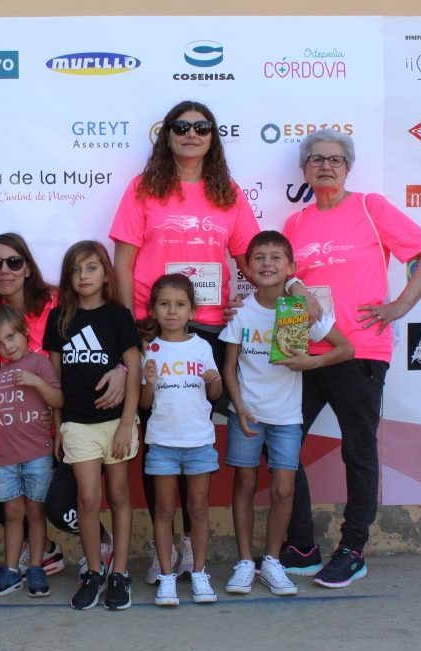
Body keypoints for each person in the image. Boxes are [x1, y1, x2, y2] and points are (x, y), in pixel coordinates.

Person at [110, 100, 274, 582]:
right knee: (158, 433)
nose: (191, 134)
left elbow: (249, 258)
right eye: (181, 127)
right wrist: (130, 324)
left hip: (206, 328)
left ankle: (186, 545)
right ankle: (165, 551)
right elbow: (122, 261)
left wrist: (270, 296)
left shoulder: (227, 192)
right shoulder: (142, 189)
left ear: (212, 137)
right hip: (150, 324)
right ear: (168, 135)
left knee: (193, 428)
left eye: (201, 128)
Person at [279, 129, 421, 588]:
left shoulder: (371, 208)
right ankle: (302, 544)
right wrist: (290, 336)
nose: (325, 166)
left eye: (334, 159)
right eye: (315, 160)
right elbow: (291, 284)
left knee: (358, 450)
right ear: (304, 170)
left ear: (348, 166)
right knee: (284, 443)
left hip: (362, 351)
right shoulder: (296, 224)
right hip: (310, 354)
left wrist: (400, 307)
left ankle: (353, 549)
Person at [0, 233, 123, 576]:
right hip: (22, 437)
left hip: (73, 426)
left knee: (58, 505)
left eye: (13, 262)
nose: (5, 270)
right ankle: (44, 549)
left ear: (28, 267)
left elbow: (107, 330)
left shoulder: (56, 299)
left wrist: (122, 369)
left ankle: (103, 544)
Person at [220, 232, 353, 597]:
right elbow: (229, 367)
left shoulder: (300, 311)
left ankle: (272, 562)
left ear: (291, 268)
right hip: (245, 413)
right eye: (258, 258)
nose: (266, 264)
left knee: (284, 488)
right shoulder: (241, 310)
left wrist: (313, 361)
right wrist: (239, 406)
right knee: (245, 485)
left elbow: (345, 348)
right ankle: (245, 561)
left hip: (286, 418)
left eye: (275, 258)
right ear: (246, 268)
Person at [43, 241, 141, 611]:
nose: (83, 276)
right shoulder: (59, 319)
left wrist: (126, 425)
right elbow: (54, 380)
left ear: (105, 274)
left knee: (118, 496)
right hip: (77, 424)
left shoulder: (118, 316)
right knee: (87, 498)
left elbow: (132, 372)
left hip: (116, 423)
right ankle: (94, 572)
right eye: (76, 270)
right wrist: (58, 426)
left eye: (91, 268)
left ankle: (119, 572)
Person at [139, 274, 222, 607]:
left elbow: (214, 394)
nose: (171, 311)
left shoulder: (202, 347)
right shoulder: (150, 349)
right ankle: (166, 576)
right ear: (153, 310)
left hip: (199, 441)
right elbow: (146, 405)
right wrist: (147, 381)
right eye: (164, 304)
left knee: (198, 509)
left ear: (192, 311)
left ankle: (200, 574)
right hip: (161, 442)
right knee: (164, 510)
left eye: (179, 305)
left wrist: (214, 381)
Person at [0, 304, 64, 598]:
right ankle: (12, 569)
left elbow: (58, 398)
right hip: (5, 458)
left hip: (37, 454)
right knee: (13, 514)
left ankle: (37, 567)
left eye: (11, 337)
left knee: (35, 513)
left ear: (25, 332)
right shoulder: (0, 373)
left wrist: (37, 382)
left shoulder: (39, 363)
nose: (7, 346)